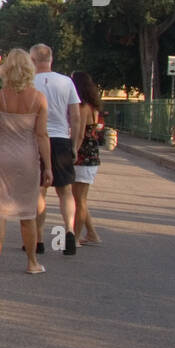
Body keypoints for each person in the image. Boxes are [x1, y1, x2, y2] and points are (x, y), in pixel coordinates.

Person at [0, 49, 51, 277]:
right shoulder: (39, 99)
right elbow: (42, 135)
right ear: (30, 69)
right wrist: (48, 166)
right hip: (27, 160)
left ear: (6, 70)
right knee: (27, 213)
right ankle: (31, 262)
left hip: (1, 158)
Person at [30, 44, 82, 256]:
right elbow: (76, 117)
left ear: (33, 60)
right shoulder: (66, 82)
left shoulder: (30, 82)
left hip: (36, 139)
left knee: (40, 190)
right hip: (61, 139)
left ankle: (39, 239)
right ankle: (69, 231)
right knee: (66, 191)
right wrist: (75, 144)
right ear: (51, 59)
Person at [71, 71, 104, 245]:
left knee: (80, 200)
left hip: (83, 155)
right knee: (79, 198)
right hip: (91, 154)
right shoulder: (93, 106)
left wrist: (73, 150)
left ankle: (75, 237)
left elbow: (81, 133)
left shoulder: (82, 107)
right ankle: (91, 233)